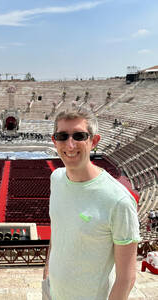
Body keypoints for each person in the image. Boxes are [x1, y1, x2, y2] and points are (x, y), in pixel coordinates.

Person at [43, 108, 140, 300]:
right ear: (54, 141)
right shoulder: (56, 178)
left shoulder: (118, 200)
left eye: (79, 136)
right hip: (52, 291)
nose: (70, 145)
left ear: (94, 141)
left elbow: (126, 278)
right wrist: (47, 271)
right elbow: (58, 230)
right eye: (62, 136)